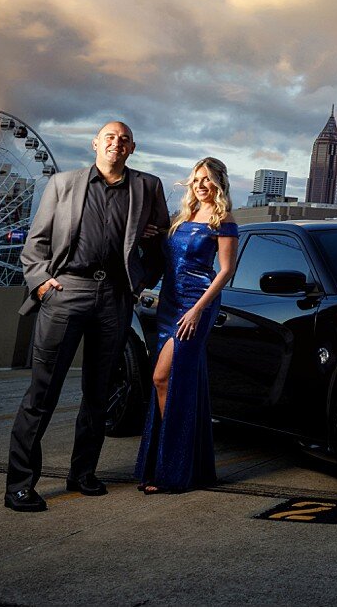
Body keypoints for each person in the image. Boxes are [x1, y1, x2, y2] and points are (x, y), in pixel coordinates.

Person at [4, 120, 169, 512]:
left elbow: (162, 242)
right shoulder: (64, 184)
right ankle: (20, 486)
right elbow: (36, 243)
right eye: (109, 137)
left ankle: (82, 474)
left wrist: (139, 281)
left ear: (133, 148)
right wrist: (43, 283)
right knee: (42, 394)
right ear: (96, 143)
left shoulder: (148, 186)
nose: (116, 143)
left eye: (124, 139)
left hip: (115, 297)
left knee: (99, 394)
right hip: (67, 291)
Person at [135, 156, 238, 493]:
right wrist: (155, 233)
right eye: (196, 180)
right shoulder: (183, 217)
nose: (201, 185)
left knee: (163, 377)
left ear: (219, 182)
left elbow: (225, 271)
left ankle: (173, 466)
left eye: (207, 179)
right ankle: (180, 464)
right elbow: (170, 254)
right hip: (169, 302)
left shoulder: (224, 220)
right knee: (172, 382)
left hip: (196, 304)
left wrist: (196, 310)